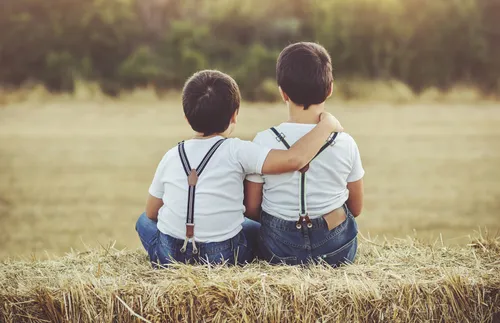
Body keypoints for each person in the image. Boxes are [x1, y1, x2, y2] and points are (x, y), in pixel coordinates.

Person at [135, 69, 344, 267]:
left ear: (187, 118)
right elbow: (294, 159)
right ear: (235, 115)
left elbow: (151, 212)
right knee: (255, 229)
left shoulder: (171, 155)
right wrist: (326, 124)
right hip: (223, 255)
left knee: (143, 221)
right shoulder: (238, 150)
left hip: (169, 255)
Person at [244, 42, 364, 266]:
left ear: (282, 93)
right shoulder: (346, 143)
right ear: (330, 89)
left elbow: (251, 209)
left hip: (278, 251)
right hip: (337, 250)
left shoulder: (263, 141)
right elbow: (356, 208)